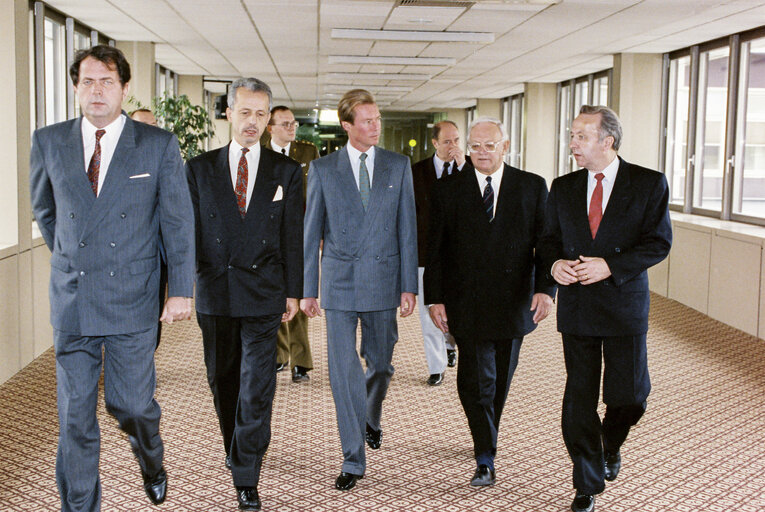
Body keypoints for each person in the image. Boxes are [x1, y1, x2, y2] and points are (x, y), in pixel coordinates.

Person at [29, 45, 194, 511]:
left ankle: (151, 456)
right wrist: (70, 255)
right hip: (74, 299)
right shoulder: (49, 141)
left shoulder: (157, 145)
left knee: (132, 406)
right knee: (74, 419)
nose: (96, 90)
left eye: (106, 82)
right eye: (87, 81)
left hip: (132, 298)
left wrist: (180, 289)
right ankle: (80, 506)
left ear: (124, 88)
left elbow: (177, 221)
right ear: (75, 88)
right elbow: (46, 211)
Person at [538, 105, 672, 512]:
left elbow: (658, 243)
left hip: (624, 304)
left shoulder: (648, 183)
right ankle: (587, 482)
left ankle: (609, 444)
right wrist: (554, 264)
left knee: (629, 397)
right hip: (578, 307)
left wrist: (611, 265)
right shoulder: (562, 187)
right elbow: (548, 241)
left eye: (580, 136)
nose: (572, 144)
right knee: (579, 397)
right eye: (572, 135)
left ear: (607, 141)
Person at [186, 77, 303, 511]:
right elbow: (188, 234)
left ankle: (245, 474)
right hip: (216, 290)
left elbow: (293, 234)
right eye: (245, 112)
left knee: (257, 384)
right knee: (224, 380)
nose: (252, 121)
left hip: (264, 291)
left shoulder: (285, 171)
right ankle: (242, 442)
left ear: (268, 119)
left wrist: (295, 290)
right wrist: (182, 289)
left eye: (261, 114)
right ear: (229, 113)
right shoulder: (198, 168)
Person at [425, 117, 554, 487]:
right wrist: (435, 298)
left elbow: (545, 244)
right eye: (475, 146)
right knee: (474, 379)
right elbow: (435, 250)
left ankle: (487, 429)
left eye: (489, 145)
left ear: (505, 146)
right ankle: (485, 454)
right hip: (466, 301)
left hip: (515, 301)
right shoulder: (449, 189)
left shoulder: (531, 187)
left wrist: (546, 289)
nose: (481, 153)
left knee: (500, 378)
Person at [301, 89, 417, 491]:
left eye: (378, 119)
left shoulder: (398, 165)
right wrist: (307, 289)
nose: (375, 127)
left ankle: (371, 410)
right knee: (343, 373)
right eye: (366, 121)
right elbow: (310, 232)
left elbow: (407, 228)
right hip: (339, 282)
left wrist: (409, 285)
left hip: (385, 280)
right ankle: (353, 456)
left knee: (381, 363)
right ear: (347, 125)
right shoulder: (323, 169)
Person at [411, 120, 471, 386]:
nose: (453, 146)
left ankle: (451, 346)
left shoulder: (471, 169)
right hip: (426, 255)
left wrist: (463, 169)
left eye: (457, 140)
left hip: (461, 257)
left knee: (459, 310)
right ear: (434, 143)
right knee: (428, 312)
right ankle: (436, 367)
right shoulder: (416, 172)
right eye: (447, 141)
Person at [266, 105, 320, 381]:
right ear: (270, 127)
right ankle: (278, 354)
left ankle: (301, 359)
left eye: (293, 124)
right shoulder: (260, 152)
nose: (291, 128)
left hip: (300, 233)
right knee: (272, 293)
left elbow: (317, 194)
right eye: (285, 124)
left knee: (298, 292)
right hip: (267, 235)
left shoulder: (308, 152)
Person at [129, 108, 166, 350]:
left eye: (154, 125)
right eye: (144, 125)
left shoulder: (165, 158)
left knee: (153, 313)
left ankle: (147, 356)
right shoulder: (115, 160)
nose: (151, 131)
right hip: (123, 254)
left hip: (156, 254)